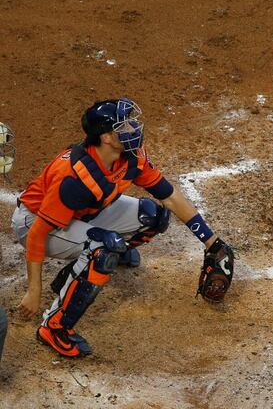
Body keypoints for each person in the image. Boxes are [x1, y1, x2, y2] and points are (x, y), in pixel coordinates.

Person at [10, 98, 235, 358]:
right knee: (102, 249)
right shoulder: (74, 177)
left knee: (153, 215)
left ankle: (83, 268)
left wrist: (211, 241)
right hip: (35, 223)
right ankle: (54, 327)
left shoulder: (130, 157)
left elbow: (170, 197)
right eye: (124, 124)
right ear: (106, 137)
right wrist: (33, 291)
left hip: (83, 214)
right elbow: (38, 234)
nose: (133, 128)